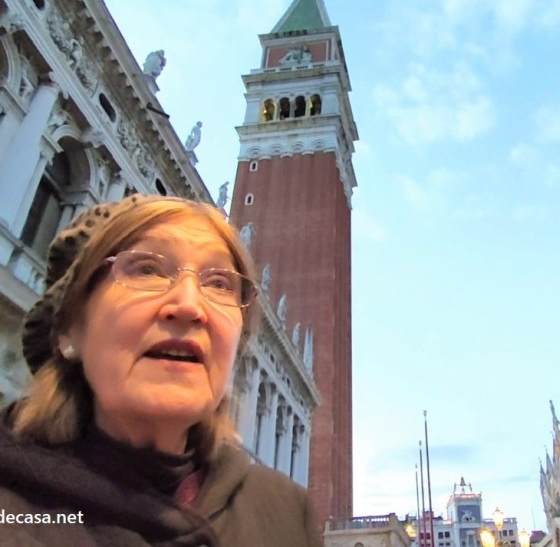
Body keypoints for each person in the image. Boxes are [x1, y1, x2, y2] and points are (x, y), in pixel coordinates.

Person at [0, 194, 320, 547]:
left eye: (218, 283)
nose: (189, 305)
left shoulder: (287, 515)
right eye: (147, 269)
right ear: (69, 330)